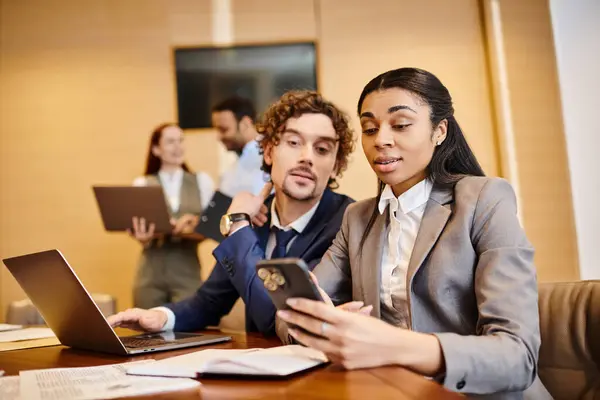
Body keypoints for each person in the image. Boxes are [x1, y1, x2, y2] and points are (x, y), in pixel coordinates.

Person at [275, 68, 551, 399]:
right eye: (370, 128)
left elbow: (518, 357)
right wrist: (320, 322)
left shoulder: (485, 199)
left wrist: (392, 345)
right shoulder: (358, 218)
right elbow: (290, 317)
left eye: (401, 125)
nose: (381, 140)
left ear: (440, 130)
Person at [108, 91, 358, 335]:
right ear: (269, 152)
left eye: (322, 149)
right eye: (294, 142)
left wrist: (237, 225)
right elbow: (208, 302)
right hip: (257, 368)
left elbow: (280, 318)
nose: (307, 158)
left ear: (335, 166)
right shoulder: (257, 219)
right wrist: (160, 317)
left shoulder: (347, 222)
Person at [129, 123, 214, 309]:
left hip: (187, 272)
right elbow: (137, 230)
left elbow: (212, 228)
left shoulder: (202, 182)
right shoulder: (142, 183)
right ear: (156, 149)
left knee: (190, 328)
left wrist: (191, 226)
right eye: (170, 142)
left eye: (180, 140)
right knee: (147, 333)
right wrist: (142, 236)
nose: (178, 147)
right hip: (149, 275)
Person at [211, 96, 267, 197]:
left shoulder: (269, 157)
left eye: (224, 129)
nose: (218, 137)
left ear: (245, 124)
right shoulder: (236, 162)